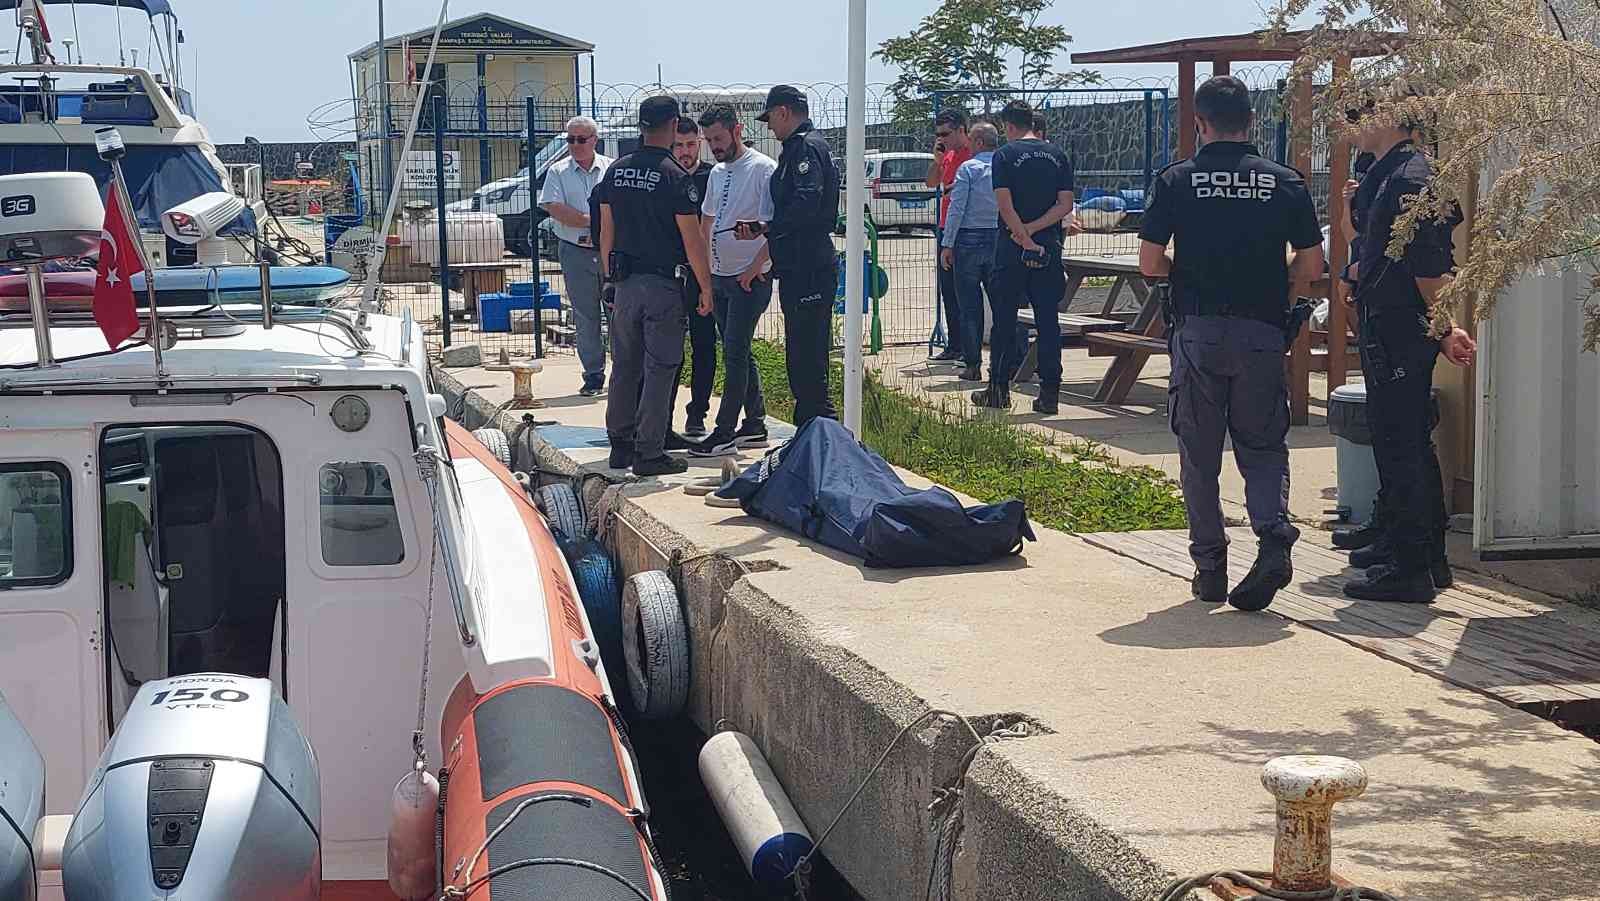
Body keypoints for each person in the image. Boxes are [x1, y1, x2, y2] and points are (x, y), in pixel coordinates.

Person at [1137, 75, 1325, 611]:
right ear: (1252, 122)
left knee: (1199, 454)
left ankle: (1210, 567)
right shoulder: (1283, 182)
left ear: (1199, 124)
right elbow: (1311, 266)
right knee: (1262, 446)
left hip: (1196, 331)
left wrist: (1189, 270)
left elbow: (1150, 264)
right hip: (1262, 331)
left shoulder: (1177, 180)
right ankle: (1272, 538)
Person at [1340, 101, 1475, 604]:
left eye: (1361, 114)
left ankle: (1411, 565)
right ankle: (1419, 553)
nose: (1350, 124)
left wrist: (1444, 327)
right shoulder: (1391, 173)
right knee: (1402, 439)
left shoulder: (1412, 178)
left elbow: (1427, 265)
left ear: (1398, 118)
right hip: (1390, 322)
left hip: (1401, 326)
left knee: (1403, 445)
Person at [599, 96, 715, 477]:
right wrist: (706, 287)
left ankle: (620, 444)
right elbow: (692, 239)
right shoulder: (673, 176)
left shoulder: (615, 171)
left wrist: (608, 276)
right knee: (661, 366)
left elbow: (606, 229)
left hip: (624, 283)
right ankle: (648, 452)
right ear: (673, 124)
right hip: (662, 286)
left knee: (625, 367)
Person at [736, 85, 841, 427]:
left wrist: (770, 225)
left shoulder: (805, 148)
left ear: (783, 112)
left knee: (808, 362)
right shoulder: (799, 148)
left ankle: (823, 439)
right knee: (801, 359)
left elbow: (807, 203)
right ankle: (809, 434)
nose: (769, 127)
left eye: (770, 119)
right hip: (798, 263)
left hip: (808, 263)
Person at [974, 100, 1074, 414]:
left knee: (1004, 319)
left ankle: (999, 388)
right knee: (1048, 321)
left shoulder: (1005, 155)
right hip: (1048, 246)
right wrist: (1035, 231)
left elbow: (1004, 204)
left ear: (1009, 126)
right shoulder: (1058, 155)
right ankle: (1049, 393)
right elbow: (1065, 205)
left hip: (1011, 246)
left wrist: (1021, 234)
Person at [690, 102, 778, 458]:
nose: (715, 146)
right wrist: (705, 278)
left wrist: (756, 267)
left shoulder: (763, 169)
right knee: (736, 349)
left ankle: (724, 431)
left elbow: (775, 226)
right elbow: (706, 220)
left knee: (735, 352)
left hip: (749, 278)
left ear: (738, 130)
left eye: (719, 138)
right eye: (709, 140)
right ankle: (754, 423)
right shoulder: (716, 173)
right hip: (720, 275)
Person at [538, 116, 613, 396]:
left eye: (581, 139)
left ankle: (624, 374)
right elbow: (554, 207)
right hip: (575, 251)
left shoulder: (610, 168)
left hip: (609, 250)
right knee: (585, 316)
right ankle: (593, 374)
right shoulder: (558, 171)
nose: (575, 145)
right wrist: (592, 221)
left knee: (618, 313)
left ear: (594, 140)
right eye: (570, 140)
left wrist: (598, 225)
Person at [668, 117, 719, 441]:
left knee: (704, 346)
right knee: (670, 350)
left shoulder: (712, 176)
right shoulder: (665, 176)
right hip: (671, 276)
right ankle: (664, 415)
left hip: (705, 274)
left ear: (699, 143)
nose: (685, 152)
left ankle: (697, 412)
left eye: (690, 145)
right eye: (679, 146)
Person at [938, 121, 1000, 383]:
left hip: (968, 238)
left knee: (969, 306)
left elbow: (957, 207)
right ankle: (1006, 362)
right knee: (1003, 305)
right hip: (998, 236)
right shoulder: (1004, 166)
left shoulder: (969, 168)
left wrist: (947, 243)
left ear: (978, 142)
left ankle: (972, 364)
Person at [925, 107, 972, 362]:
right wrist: (936, 160)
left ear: (961, 130)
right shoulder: (949, 155)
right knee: (949, 290)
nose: (941, 138)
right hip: (945, 225)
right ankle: (955, 344)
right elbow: (931, 183)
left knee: (964, 289)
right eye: (938, 134)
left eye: (946, 133)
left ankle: (968, 347)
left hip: (966, 227)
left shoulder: (972, 155)